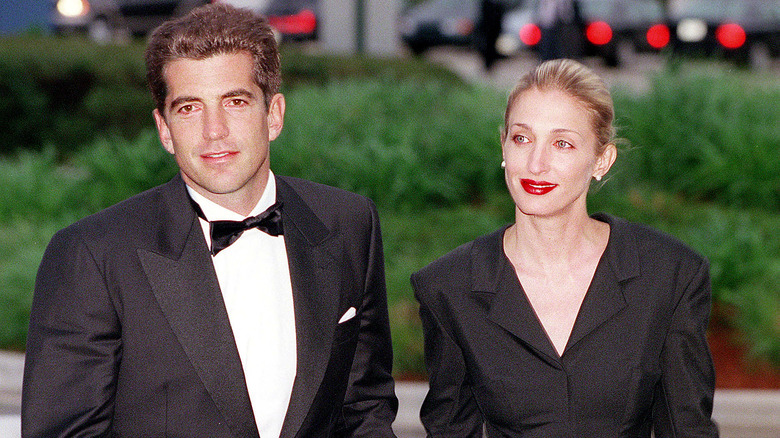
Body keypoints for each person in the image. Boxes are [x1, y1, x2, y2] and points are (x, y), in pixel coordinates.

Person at [22, 4, 397, 437]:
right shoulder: (93, 256)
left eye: (235, 102)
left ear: (273, 115)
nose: (213, 130)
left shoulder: (348, 223)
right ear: (164, 129)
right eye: (189, 109)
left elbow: (365, 406)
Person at [411, 59, 719, 437]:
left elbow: (687, 428)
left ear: (601, 161)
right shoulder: (449, 286)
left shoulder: (670, 275)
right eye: (522, 138)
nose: (536, 164)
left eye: (562, 143)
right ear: (503, 146)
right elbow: (451, 429)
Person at [475, 0, 506, 71]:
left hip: (494, 28)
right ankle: (487, 65)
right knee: (485, 46)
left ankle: (490, 65)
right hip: (486, 28)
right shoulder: (486, 3)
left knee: (491, 46)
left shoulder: (498, 5)